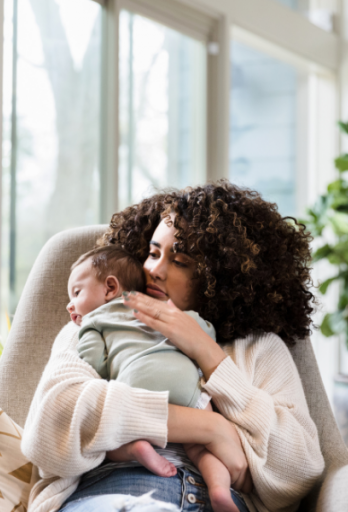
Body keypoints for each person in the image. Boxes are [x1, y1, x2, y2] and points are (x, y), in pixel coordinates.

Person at [21, 181, 325, 512]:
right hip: (109, 493)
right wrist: (213, 429)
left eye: (179, 261)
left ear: (220, 277)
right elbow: (48, 428)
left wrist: (207, 354)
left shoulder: (259, 348)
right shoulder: (93, 324)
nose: (154, 270)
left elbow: (299, 470)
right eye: (152, 253)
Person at [66, 245, 238, 511]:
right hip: (187, 386)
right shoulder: (175, 317)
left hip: (135, 390)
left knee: (113, 439)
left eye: (76, 293)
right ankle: (219, 492)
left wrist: (89, 336)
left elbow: (95, 366)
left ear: (110, 287)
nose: (70, 304)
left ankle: (137, 448)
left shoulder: (93, 322)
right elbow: (204, 330)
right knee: (202, 450)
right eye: (153, 254)